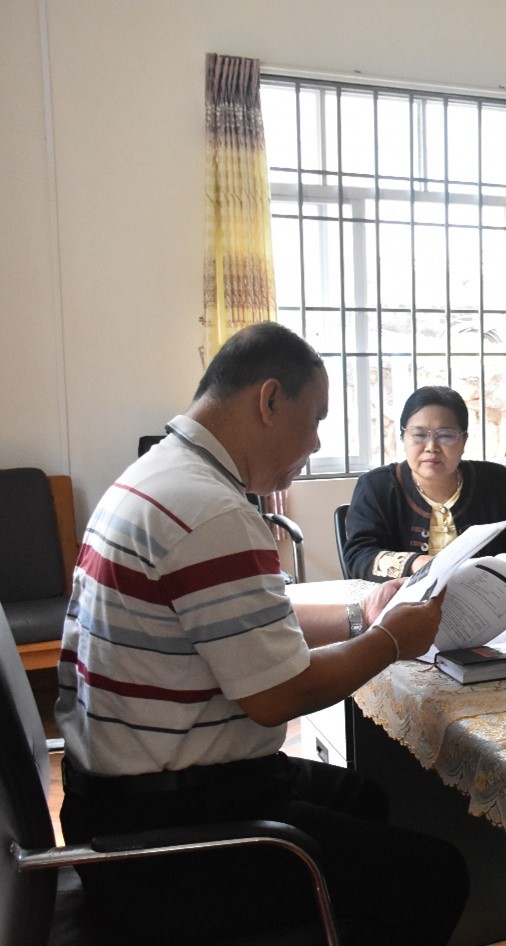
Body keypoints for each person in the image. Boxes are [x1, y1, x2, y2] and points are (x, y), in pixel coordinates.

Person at [55, 323, 468, 945]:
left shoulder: (161, 476)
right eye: (317, 418)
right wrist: (391, 641)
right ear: (270, 400)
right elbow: (278, 695)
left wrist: (365, 617)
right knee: (437, 876)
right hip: (169, 834)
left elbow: (239, 622)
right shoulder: (210, 511)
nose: (318, 441)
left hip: (122, 796)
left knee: (363, 798)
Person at [343, 385, 506, 580]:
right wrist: (416, 563)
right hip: (406, 612)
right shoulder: (377, 487)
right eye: (419, 435)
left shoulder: (493, 481)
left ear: (464, 441)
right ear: (403, 437)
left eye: (446, 436)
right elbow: (359, 556)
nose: (431, 447)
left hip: (490, 609)